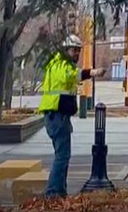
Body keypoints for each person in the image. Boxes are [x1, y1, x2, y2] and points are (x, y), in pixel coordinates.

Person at [38, 33, 105, 197]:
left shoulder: (57, 63)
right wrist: (94, 72)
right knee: (62, 157)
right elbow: (72, 75)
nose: (76, 54)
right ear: (65, 49)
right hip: (57, 116)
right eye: (74, 50)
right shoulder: (61, 65)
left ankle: (60, 192)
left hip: (57, 116)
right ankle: (53, 193)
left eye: (78, 51)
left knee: (62, 156)